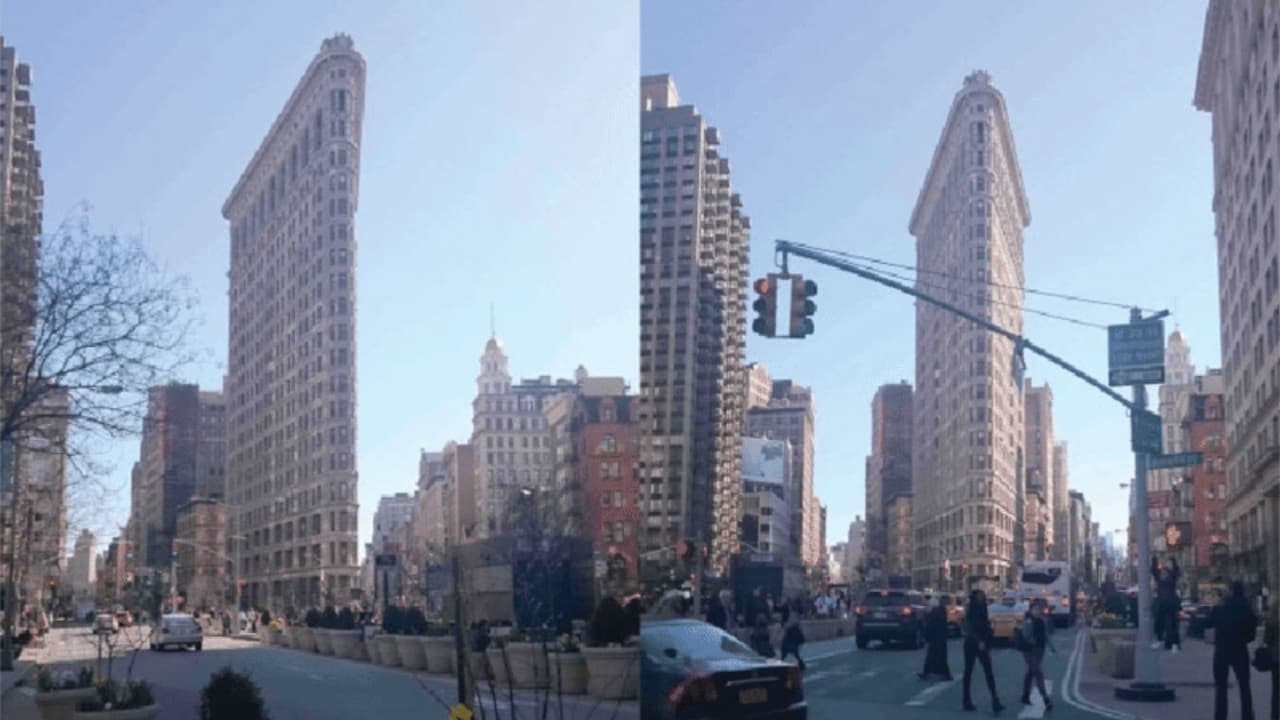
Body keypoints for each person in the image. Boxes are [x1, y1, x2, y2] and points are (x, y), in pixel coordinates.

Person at [1206, 580, 1258, 720]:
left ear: (1230, 592)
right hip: (1240, 650)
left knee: (1221, 687)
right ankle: (1247, 716)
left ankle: (1220, 716)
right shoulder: (1247, 609)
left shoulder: (1220, 608)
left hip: (1222, 651)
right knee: (1244, 686)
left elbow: (1208, 622)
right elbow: (1252, 634)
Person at [961, 589, 1004, 714]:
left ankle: (995, 700)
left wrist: (988, 638)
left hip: (982, 642)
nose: (982, 597)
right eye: (980, 595)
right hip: (972, 643)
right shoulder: (971, 608)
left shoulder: (983, 606)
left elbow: (983, 624)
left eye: (983, 595)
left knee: (988, 671)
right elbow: (970, 626)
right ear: (974, 597)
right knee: (969, 671)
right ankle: (966, 700)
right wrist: (979, 640)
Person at [1015, 605, 1054, 711]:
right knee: (1038, 672)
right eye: (1035, 609)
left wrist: (1051, 646)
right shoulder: (1028, 621)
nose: (1037, 611)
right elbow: (1025, 635)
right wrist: (1033, 641)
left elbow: (1045, 634)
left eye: (1038, 609)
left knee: (1030, 672)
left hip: (1040, 649)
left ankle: (1025, 695)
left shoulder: (1042, 620)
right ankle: (1046, 698)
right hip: (1029, 650)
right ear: (1030, 610)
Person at [1152, 556, 1182, 652]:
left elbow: (1177, 571)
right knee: (1159, 623)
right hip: (1161, 602)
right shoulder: (1159, 576)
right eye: (1162, 573)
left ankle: (1175, 644)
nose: (1163, 574)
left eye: (1165, 573)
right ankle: (1160, 639)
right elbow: (1153, 570)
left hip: (1171, 602)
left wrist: (1172, 562)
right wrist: (1154, 559)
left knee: (1173, 624)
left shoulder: (1172, 575)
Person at [918, 598, 952, 681]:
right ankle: (943, 674)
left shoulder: (934, 613)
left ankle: (929, 673)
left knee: (932, 656)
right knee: (940, 656)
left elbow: (929, 626)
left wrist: (926, 637)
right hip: (940, 637)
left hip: (935, 638)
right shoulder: (941, 612)